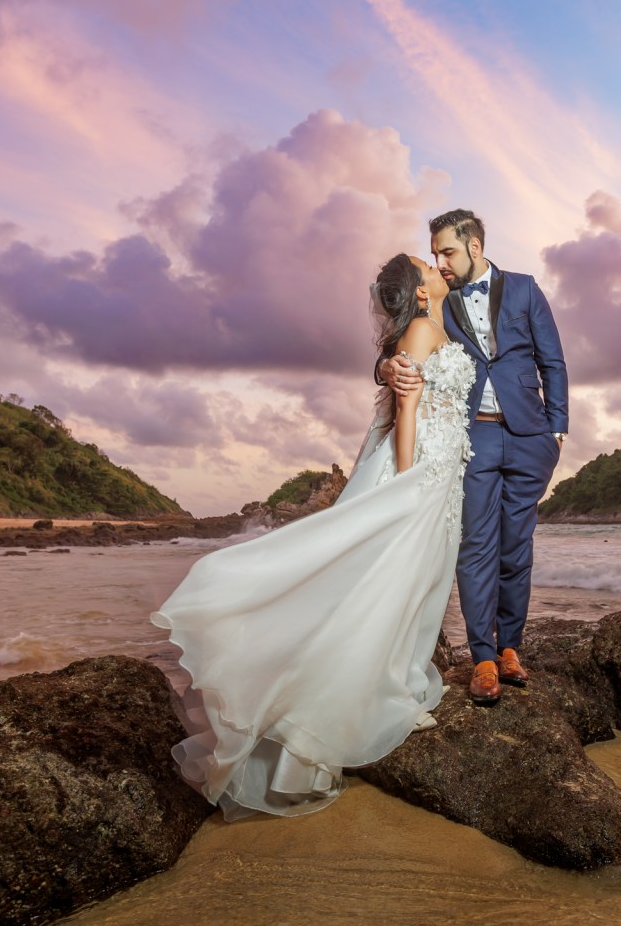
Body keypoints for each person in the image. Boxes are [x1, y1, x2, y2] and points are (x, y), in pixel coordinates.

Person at [150, 253, 474, 820]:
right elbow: (407, 404)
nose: (437, 268)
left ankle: (391, 676)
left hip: (445, 469)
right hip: (420, 467)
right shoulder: (424, 329)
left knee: (417, 577)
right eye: (427, 267)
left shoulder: (438, 323)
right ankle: (347, 705)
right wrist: (407, 480)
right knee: (391, 580)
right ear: (420, 295)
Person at [380, 209, 568, 706]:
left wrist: (558, 430)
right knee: (478, 544)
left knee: (517, 547)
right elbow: (404, 339)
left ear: (476, 247)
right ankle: (482, 657)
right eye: (435, 253)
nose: (440, 262)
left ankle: (511, 649)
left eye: (448, 252)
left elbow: (552, 359)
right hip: (475, 436)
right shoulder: (441, 301)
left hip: (531, 436)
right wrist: (385, 367)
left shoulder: (526, 289)